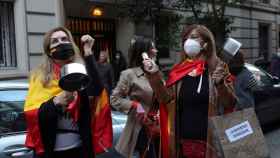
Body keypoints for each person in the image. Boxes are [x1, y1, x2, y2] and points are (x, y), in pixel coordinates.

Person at [143, 24, 236, 158]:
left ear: (206, 43)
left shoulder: (219, 68)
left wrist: (220, 84)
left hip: (211, 144)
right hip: (182, 143)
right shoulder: (178, 70)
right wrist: (154, 74)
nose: (188, 41)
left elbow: (230, 104)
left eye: (193, 37)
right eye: (186, 38)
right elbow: (165, 99)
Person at [24, 27, 112, 158]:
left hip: (79, 150)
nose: (60, 43)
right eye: (55, 41)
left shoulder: (80, 72)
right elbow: (32, 114)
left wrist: (88, 53)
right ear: (49, 50)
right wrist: (55, 102)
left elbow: (97, 91)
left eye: (64, 39)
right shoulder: (39, 77)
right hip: (51, 152)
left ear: (71, 44)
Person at [110, 36, 160, 158]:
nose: (156, 51)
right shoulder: (129, 74)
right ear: (144, 52)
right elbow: (114, 99)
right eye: (153, 48)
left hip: (159, 126)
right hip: (141, 127)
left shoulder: (156, 72)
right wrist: (134, 105)